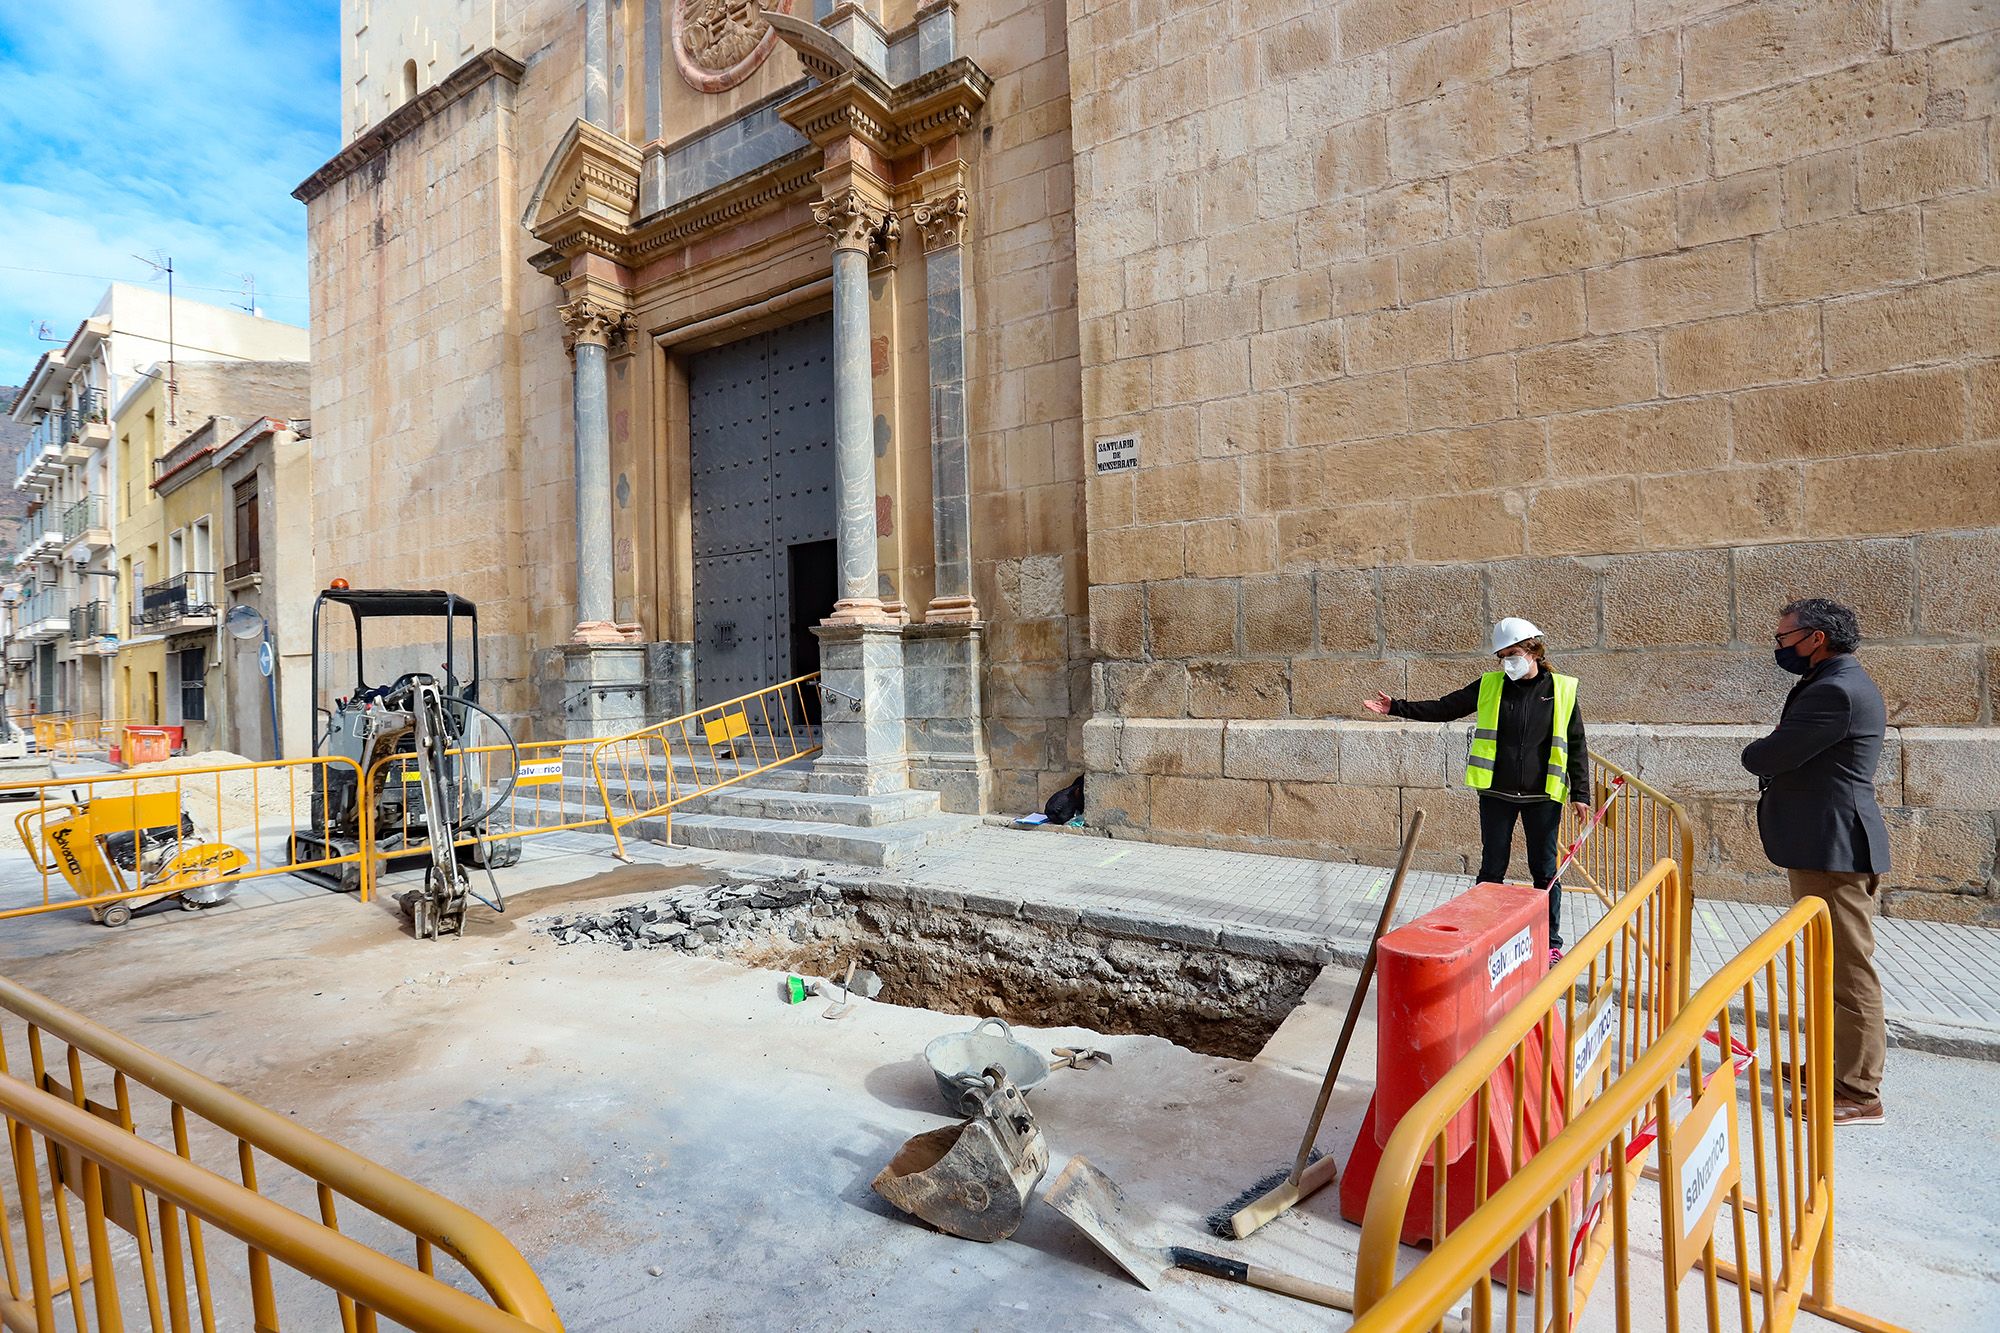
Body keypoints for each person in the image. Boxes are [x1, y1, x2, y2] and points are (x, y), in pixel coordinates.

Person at [1741, 598, 1889, 1127]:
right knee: (1827, 966)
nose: (1780, 647)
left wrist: (1758, 750)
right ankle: (1833, 1064)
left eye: (1785, 639)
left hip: (1835, 848)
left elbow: (1770, 755)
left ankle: (1858, 1090)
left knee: (1849, 973)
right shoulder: (1834, 681)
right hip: (1821, 845)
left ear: (1816, 637)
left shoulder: (1835, 690)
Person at [1364, 618, 1590, 960]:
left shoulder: (1561, 689)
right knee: (1491, 870)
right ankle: (1486, 937)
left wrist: (1581, 794)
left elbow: (1576, 743)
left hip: (1542, 798)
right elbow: (1445, 707)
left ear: (1533, 650)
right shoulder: (1490, 686)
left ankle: (1550, 944)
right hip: (1496, 794)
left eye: (1512, 654)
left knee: (1545, 872)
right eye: (1501, 657)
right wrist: (1397, 707)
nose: (1507, 662)